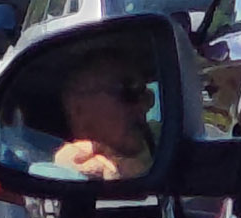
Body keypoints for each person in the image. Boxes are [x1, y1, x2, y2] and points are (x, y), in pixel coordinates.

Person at [50, 51, 159, 183]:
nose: (147, 105)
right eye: (128, 92)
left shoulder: (162, 136)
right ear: (77, 108)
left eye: (147, 95)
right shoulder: (69, 165)